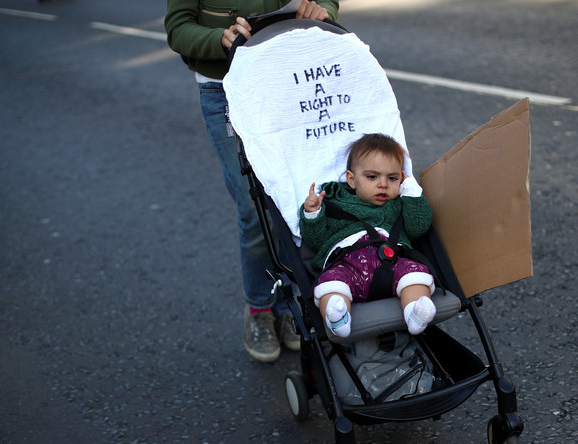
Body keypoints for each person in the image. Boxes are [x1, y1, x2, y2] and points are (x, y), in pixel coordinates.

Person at [164, 0, 340, 362]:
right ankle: (260, 308)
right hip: (224, 87)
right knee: (253, 206)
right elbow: (178, 26)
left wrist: (322, 11)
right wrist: (219, 38)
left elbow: (325, 1)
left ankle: (293, 302)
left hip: (289, 76)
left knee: (298, 197)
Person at [300, 133, 437, 338]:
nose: (383, 184)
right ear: (352, 180)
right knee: (330, 284)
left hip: (392, 261)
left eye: (392, 178)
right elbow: (316, 241)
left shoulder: (398, 205)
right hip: (347, 265)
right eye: (372, 177)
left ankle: (415, 312)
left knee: (416, 275)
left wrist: (411, 193)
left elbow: (418, 227)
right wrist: (312, 215)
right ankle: (338, 317)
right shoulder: (337, 203)